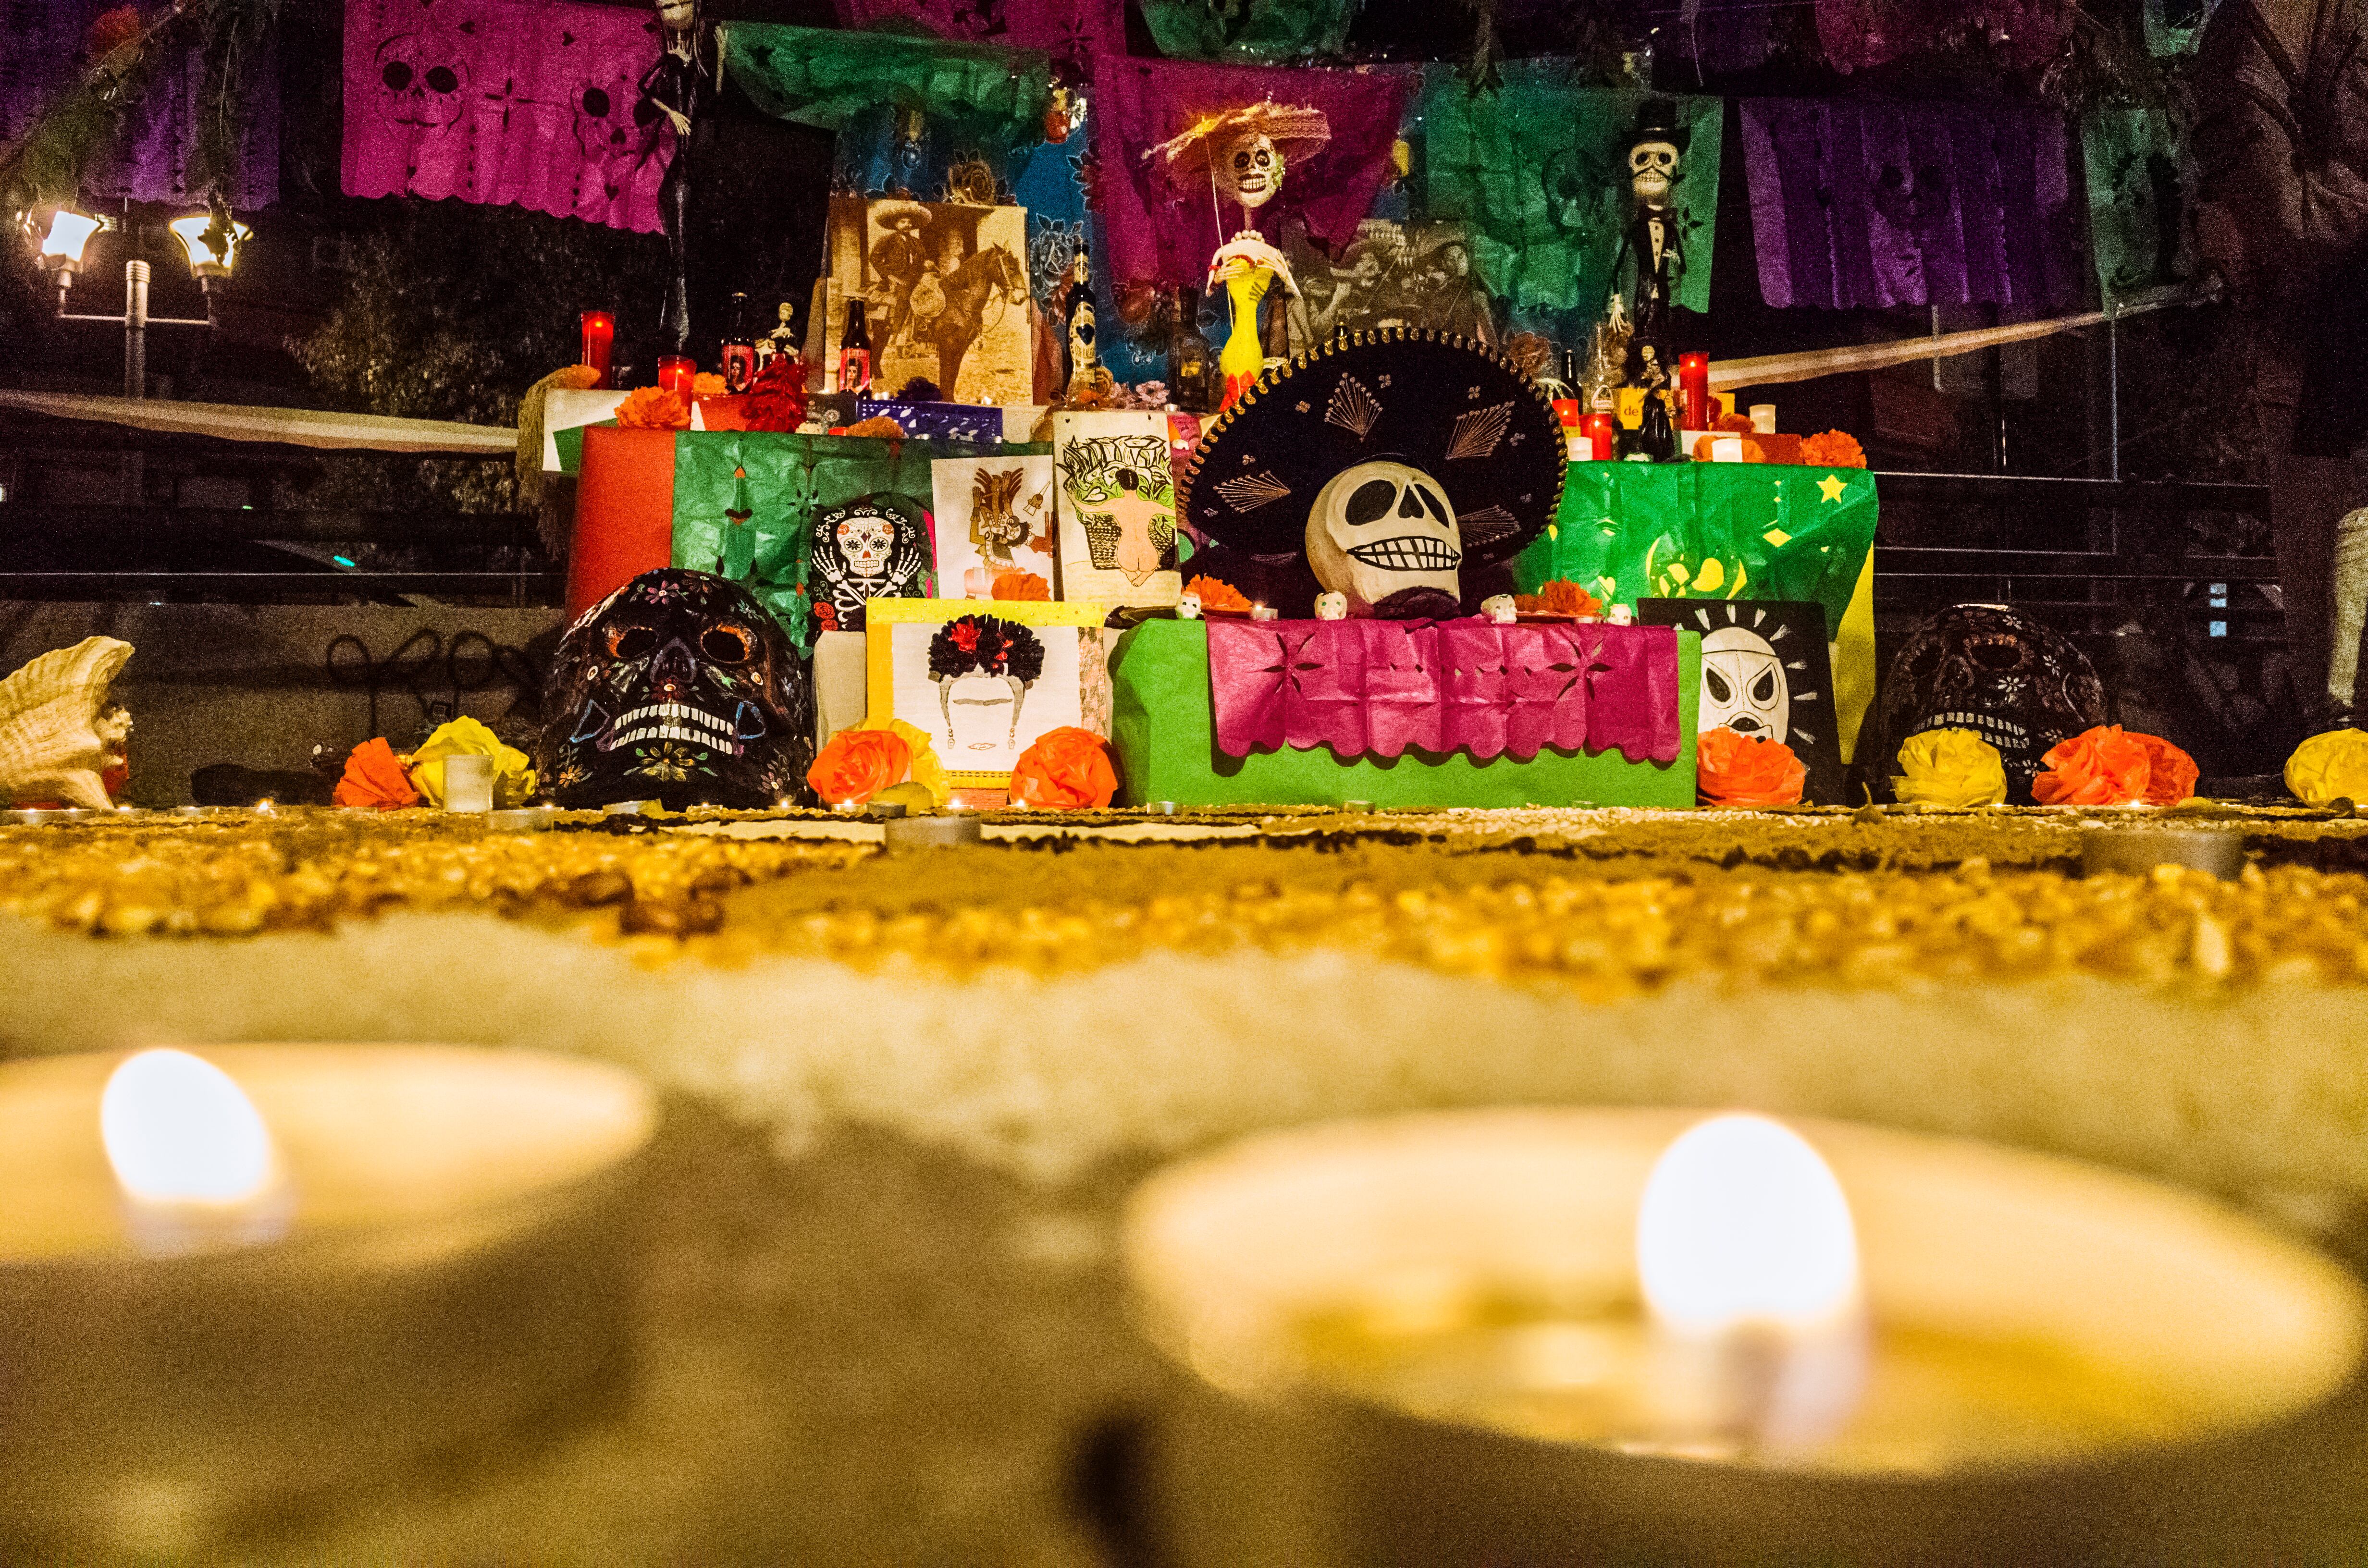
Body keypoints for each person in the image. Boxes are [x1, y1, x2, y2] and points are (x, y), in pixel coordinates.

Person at [2191, 0, 2368, 727]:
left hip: (2327, 339)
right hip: (2329, 346)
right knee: (2342, 658)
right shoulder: (2283, 17)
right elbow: (2278, 205)